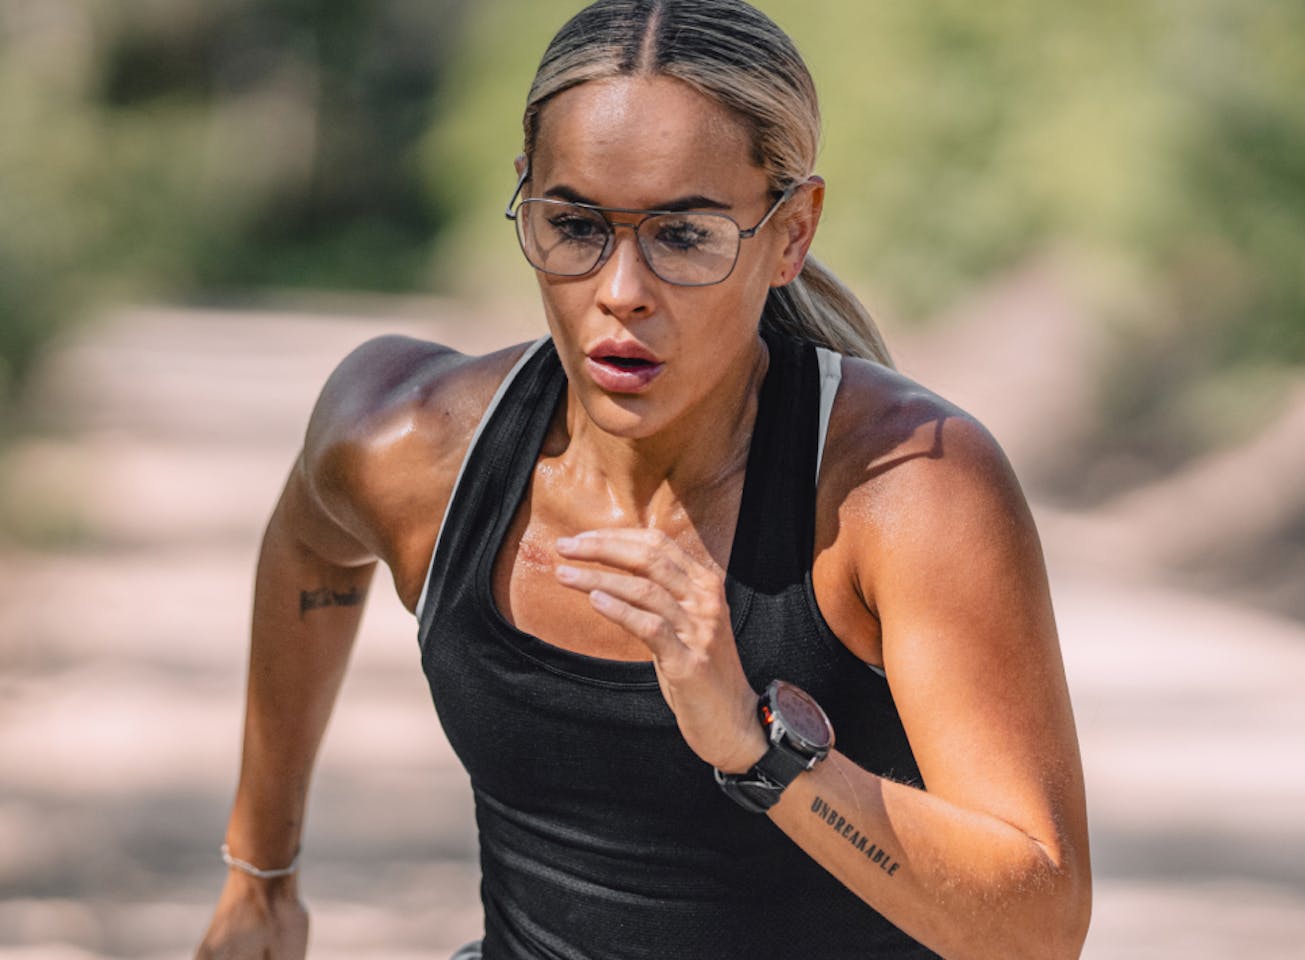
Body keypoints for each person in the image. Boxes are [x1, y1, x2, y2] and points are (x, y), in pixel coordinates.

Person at [195, 1, 1091, 957]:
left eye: (683, 235)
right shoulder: (411, 443)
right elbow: (309, 548)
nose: (620, 292)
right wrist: (261, 875)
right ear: (526, 201)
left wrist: (757, 747)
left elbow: (1037, 928)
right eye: (575, 224)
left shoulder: (904, 486)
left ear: (790, 233)